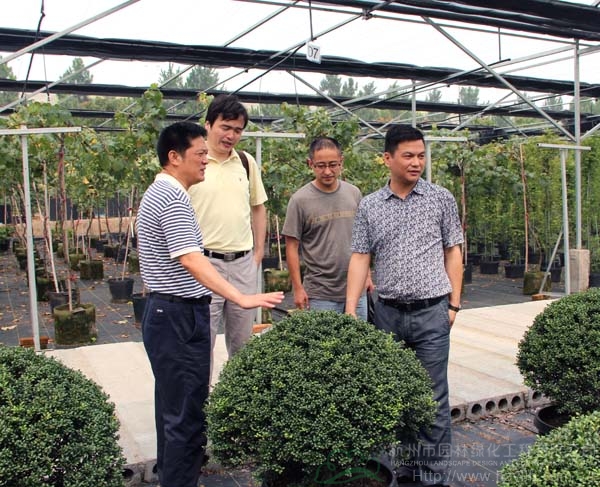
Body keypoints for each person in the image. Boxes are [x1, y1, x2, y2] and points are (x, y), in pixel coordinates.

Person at [137, 121, 283, 487]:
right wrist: (240, 296)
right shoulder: (172, 197)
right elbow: (190, 258)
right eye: (200, 154)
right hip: (177, 315)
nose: (206, 160)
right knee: (186, 418)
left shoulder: (164, 191)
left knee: (173, 411)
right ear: (174, 157)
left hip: (168, 312)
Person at [345, 124, 463, 487]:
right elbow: (360, 257)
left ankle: (431, 477)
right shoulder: (370, 205)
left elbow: (454, 251)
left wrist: (454, 306)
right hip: (388, 315)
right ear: (387, 158)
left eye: (421, 156)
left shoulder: (441, 198)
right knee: (396, 394)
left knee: (433, 399)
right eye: (408, 156)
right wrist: (351, 310)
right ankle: (408, 469)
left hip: (432, 313)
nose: (416, 163)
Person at [188, 94, 267, 360]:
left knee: (243, 343)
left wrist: (258, 254)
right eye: (225, 127)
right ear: (208, 124)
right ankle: (203, 388)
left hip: (243, 263)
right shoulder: (193, 162)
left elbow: (258, 207)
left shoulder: (245, 162)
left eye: (238, 130)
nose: (231, 135)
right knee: (202, 341)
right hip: (205, 264)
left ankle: (237, 388)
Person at [282, 136, 373, 320]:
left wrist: (367, 275)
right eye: (321, 166)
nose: (327, 171)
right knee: (325, 338)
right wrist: (297, 288)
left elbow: (363, 239)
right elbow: (291, 246)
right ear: (310, 164)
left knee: (359, 337)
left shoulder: (353, 193)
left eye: (333, 165)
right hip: (320, 293)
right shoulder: (300, 200)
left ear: (341, 162)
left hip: (356, 290)